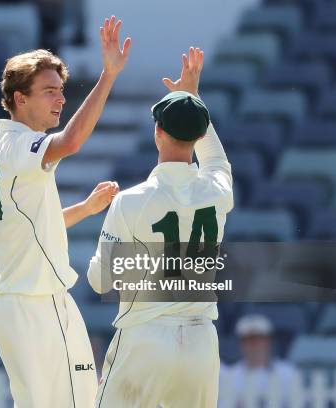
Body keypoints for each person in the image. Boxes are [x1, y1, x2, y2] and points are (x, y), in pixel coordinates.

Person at [0, 15, 131, 408]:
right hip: (37, 301)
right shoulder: (16, 145)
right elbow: (71, 142)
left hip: (21, 301)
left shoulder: (1, 146)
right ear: (20, 98)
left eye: (61, 90)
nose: (61, 99)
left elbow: (31, 227)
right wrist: (108, 76)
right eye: (49, 91)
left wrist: (84, 209)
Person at [87, 47, 234, 407]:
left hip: (145, 338)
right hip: (201, 343)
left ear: (157, 132)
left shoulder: (132, 201)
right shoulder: (218, 191)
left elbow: (100, 279)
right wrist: (193, 98)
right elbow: (215, 159)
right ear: (199, 138)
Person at [221, 314, 298, 405]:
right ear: (241, 344)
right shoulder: (231, 377)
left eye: (260, 338)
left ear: (268, 341)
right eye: (249, 340)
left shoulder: (288, 373)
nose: (255, 345)